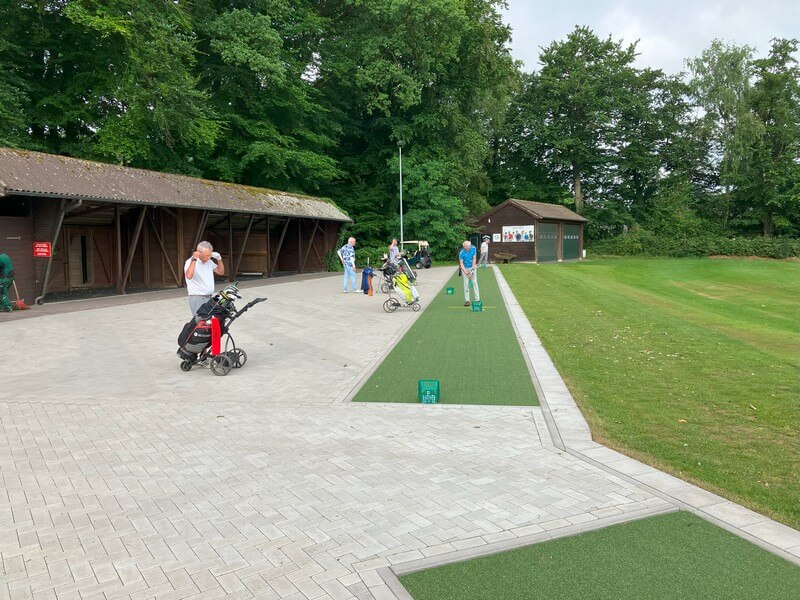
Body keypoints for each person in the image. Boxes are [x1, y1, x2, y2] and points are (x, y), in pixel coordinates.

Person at [184, 241, 224, 316]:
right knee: (201, 320)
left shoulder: (209, 262)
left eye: (209, 255)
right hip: (197, 297)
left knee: (210, 320)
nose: (208, 258)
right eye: (206, 256)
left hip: (209, 297)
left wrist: (219, 259)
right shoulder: (190, 262)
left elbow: (221, 272)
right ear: (198, 253)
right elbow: (188, 276)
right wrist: (194, 259)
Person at [458, 240, 480, 307]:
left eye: (468, 246)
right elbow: (461, 264)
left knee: (474, 282)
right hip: (465, 268)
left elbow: (474, 259)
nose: (467, 248)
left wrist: (472, 270)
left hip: (472, 267)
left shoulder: (473, 248)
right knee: (466, 283)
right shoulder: (461, 253)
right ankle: (467, 300)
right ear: (463, 247)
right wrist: (467, 273)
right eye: (465, 247)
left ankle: (477, 299)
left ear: (470, 246)